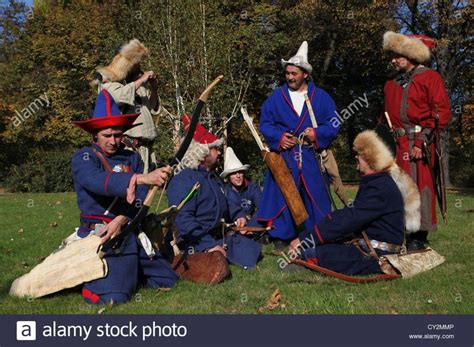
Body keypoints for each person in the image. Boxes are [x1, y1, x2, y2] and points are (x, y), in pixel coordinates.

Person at [71, 89, 178, 304]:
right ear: (95, 135)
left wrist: (121, 219)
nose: (113, 141)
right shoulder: (83, 157)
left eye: (118, 135)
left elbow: (139, 199)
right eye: (107, 135)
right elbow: (96, 180)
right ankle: (93, 282)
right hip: (101, 236)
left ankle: (127, 272)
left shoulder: (132, 158)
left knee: (168, 280)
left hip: (129, 230)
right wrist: (141, 178)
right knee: (114, 298)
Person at [287, 126, 421, 275]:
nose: (356, 157)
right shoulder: (378, 182)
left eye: (360, 153)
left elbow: (349, 219)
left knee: (314, 253)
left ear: (372, 157)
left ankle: (304, 258)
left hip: (378, 254)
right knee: (325, 247)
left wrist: (307, 239)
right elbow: (351, 217)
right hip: (368, 245)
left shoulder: (380, 187)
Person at [257, 41, 340, 252]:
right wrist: (278, 137)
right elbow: (265, 122)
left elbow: (334, 122)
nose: (290, 77)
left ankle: (318, 234)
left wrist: (318, 133)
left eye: (294, 73)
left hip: (311, 155)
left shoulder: (321, 97)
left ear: (305, 74)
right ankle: (281, 237)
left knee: (316, 196)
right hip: (286, 155)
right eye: (287, 74)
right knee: (284, 192)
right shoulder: (277, 98)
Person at [381, 31, 451, 250]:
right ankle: (396, 233)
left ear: (411, 55)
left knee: (418, 188)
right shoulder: (390, 84)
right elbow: (383, 117)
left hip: (417, 144)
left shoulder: (430, 78)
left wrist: (422, 141)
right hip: (395, 145)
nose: (393, 60)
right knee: (396, 189)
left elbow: (441, 113)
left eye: (397, 55)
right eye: (391, 55)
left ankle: (418, 237)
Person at [167, 116, 262, 269]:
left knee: (252, 249)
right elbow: (183, 219)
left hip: (217, 235)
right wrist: (208, 245)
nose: (218, 153)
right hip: (195, 240)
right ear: (201, 151)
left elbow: (228, 200)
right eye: (214, 148)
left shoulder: (212, 176)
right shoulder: (183, 179)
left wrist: (238, 215)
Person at [95, 39, 161, 173]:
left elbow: (151, 107)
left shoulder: (137, 83)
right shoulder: (109, 83)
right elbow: (119, 97)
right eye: (135, 63)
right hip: (128, 147)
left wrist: (154, 88)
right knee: (129, 187)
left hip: (145, 146)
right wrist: (141, 80)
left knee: (145, 189)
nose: (138, 66)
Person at [220, 147, 262, 226]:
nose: (238, 176)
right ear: (228, 176)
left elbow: (262, 207)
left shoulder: (252, 188)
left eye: (240, 172)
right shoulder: (224, 191)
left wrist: (251, 226)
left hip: (253, 226)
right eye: (234, 173)